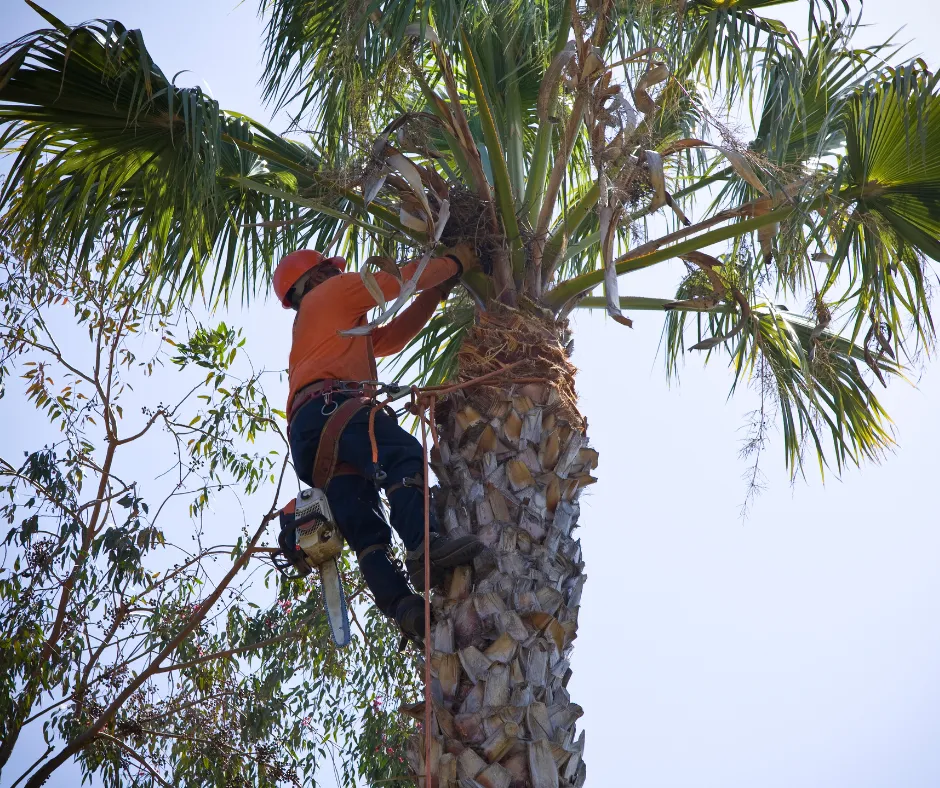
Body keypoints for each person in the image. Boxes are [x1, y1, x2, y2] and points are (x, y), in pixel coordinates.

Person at [275, 246, 483, 641]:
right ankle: (425, 544)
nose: (338, 274)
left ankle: (403, 607)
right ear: (316, 278)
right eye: (330, 271)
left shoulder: (324, 323)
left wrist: (438, 292)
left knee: (366, 529)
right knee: (402, 455)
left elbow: (392, 338)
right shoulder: (330, 295)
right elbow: (394, 281)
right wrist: (458, 261)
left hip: (310, 436)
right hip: (331, 409)